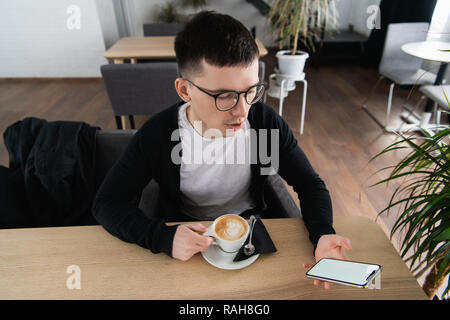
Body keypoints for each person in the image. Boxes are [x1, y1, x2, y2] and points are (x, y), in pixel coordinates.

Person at [92, 10, 351, 289]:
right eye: (224, 96)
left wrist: (323, 233)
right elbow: (107, 203)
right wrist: (161, 238)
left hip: (251, 233)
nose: (242, 111)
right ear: (184, 91)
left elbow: (310, 184)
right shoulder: (158, 135)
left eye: (251, 91)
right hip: (188, 236)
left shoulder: (264, 124)